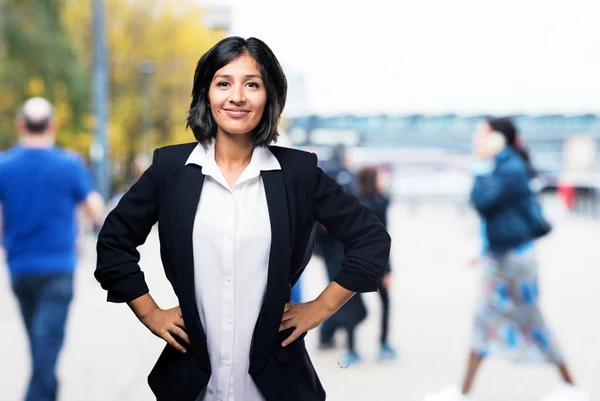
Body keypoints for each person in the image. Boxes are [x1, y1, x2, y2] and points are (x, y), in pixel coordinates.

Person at [94, 36, 391, 401]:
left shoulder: (298, 173)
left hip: (277, 386)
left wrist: (319, 308)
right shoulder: (170, 169)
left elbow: (371, 239)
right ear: (206, 93)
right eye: (224, 83)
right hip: (191, 382)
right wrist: (150, 312)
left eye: (252, 84)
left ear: (270, 97)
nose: (237, 96)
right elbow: (113, 242)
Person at [424, 117, 588, 401]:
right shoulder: (502, 165)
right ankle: (463, 392)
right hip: (502, 257)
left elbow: (483, 201)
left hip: (515, 260)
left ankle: (571, 386)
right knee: (487, 320)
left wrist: (479, 166)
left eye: (481, 133)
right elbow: (489, 210)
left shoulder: (510, 167)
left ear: (498, 138)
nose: (476, 138)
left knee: (531, 319)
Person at [0, 97, 104, 401]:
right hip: (58, 269)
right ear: (53, 126)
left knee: (40, 348)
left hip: (20, 269)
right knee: (45, 352)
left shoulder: (4, 165)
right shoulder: (68, 164)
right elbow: (95, 208)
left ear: (21, 125)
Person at [355, 166, 397, 361]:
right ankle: (383, 345)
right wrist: (388, 270)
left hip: (355, 261)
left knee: (350, 305)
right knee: (385, 303)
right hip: (377, 263)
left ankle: (352, 349)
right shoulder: (380, 204)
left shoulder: (355, 201)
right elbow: (383, 239)